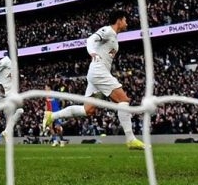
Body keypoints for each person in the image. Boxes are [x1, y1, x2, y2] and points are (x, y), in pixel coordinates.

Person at [46, 9, 145, 150]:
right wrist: (92, 52)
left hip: (96, 73)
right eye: (125, 20)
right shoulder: (108, 31)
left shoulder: (114, 36)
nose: (127, 23)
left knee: (88, 110)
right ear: (119, 20)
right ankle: (130, 139)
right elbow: (90, 39)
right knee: (123, 101)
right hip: (99, 72)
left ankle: (51, 116)